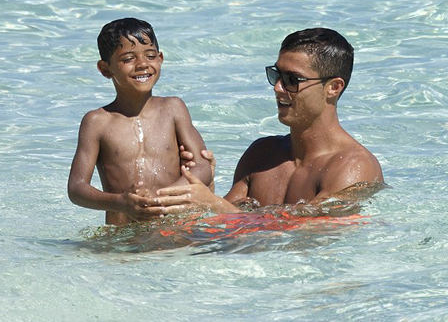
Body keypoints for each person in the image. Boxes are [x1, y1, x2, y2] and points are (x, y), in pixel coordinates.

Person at [149, 27, 384, 215]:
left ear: (333, 87)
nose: (279, 88)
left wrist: (213, 204)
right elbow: (222, 227)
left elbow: (310, 236)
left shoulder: (353, 166)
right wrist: (201, 191)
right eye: (276, 75)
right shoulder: (261, 154)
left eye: (293, 79)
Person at [67, 18, 212, 225]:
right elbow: (76, 188)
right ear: (105, 69)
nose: (142, 64)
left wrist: (162, 196)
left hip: (174, 226)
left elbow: (202, 166)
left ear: (160, 58)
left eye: (150, 55)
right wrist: (120, 202)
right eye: (128, 59)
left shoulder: (173, 109)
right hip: (123, 233)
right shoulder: (97, 122)